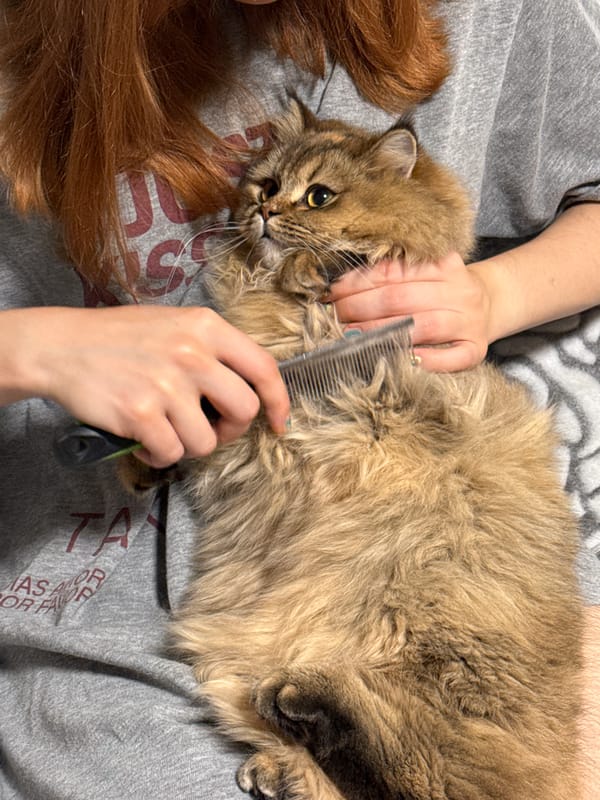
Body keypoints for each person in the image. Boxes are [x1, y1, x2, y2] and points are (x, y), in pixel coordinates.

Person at [0, 1, 598, 798]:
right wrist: (25, 349)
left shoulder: (493, 14)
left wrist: (499, 292)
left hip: (445, 592)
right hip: (115, 631)